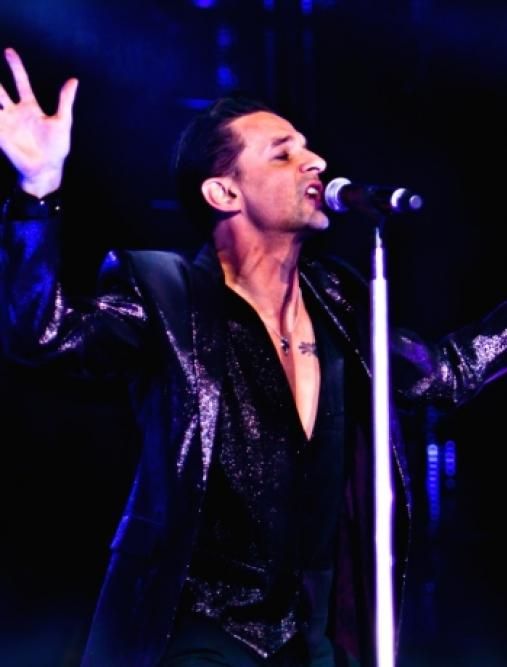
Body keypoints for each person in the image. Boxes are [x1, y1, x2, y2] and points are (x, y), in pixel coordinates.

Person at [0, 47, 506, 667]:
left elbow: (446, 374)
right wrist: (37, 192)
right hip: (198, 633)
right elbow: (43, 334)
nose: (315, 162)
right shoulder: (167, 296)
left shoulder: (342, 303)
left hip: (312, 637)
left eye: (308, 148)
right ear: (224, 192)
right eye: (283, 153)